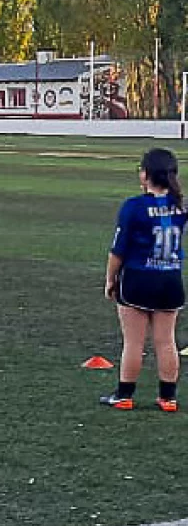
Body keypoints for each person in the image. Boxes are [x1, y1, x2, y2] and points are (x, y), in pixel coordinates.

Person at [102, 148, 186, 412]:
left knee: (134, 342)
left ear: (146, 174)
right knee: (166, 340)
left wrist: (110, 279)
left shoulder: (134, 207)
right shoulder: (181, 205)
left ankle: (125, 395)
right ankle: (168, 398)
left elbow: (118, 251)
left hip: (138, 279)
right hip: (170, 280)